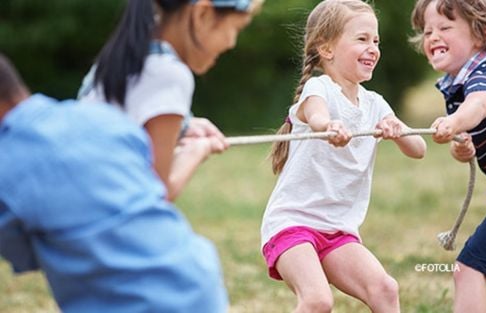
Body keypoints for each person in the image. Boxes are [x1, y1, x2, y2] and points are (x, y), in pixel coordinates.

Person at [0, 52, 228, 313]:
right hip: (199, 282)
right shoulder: (99, 117)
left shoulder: (6, 165)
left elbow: (23, 254)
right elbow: (151, 183)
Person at [260, 1, 427, 312]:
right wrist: (329, 127)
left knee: (385, 289)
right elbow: (317, 115)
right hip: (292, 224)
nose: (373, 48)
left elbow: (419, 149)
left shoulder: (375, 104)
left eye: (376, 41)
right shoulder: (318, 89)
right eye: (362, 39)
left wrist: (399, 131)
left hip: (338, 231)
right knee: (318, 300)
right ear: (327, 48)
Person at [78, 0, 263, 201]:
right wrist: (196, 151)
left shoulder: (123, 60)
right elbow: (154, 195)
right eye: (235, 28)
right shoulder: (169, 73)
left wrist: (185, 125)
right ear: (202, 14)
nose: (231, 43)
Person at [410, 0, 486, 312]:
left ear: (484, 33)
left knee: (470, 270)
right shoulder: (455, 86)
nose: (433, 36)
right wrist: (462, 146)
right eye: (427, 30)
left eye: (445, 28)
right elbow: (467, 138)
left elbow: (480, 105)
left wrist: (455, 122)